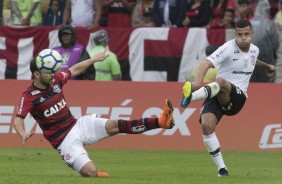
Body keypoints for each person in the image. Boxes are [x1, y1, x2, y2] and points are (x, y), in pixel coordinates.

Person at [14, 49, 175, 177]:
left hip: (77, 125)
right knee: (90, 172)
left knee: (116, 125)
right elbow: (18, 119)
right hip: (64, 141)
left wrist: (94, 59)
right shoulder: (29, 96)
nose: (53, 75)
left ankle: (161, 122)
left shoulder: (55, 80)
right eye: (49, 72)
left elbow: (75, 69)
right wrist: (22, 132)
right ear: (36, 74)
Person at [179, 19, 275, 177]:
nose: (243, 38)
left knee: (221, 81)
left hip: (238, 98)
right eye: (239, 35)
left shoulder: (255, 50)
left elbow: (251, 60)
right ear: (235, 34)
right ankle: (222, 169)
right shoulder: (228, 48)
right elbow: (206, 63)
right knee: (206, 125)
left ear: (252, 34)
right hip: (217, 92)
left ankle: (192, 96)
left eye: (246, 34)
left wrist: (267, 66)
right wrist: (198, 81)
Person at [250, 0, 280, 82]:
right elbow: (275, 43)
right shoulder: (270, 24)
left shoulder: (249, 22)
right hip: (266, 59)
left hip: (250, 59)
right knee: (267, 84)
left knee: (252, 84)